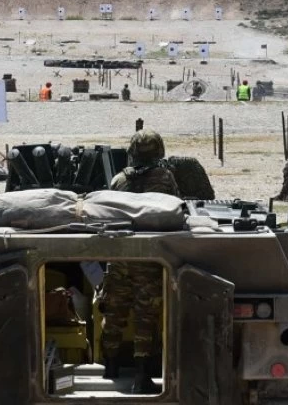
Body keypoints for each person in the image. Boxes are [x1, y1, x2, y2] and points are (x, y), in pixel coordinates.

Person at [100, 130, 177, 394]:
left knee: (114, 313)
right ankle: (141, 377)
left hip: (121, 259)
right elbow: (175, 208)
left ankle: (110, 368)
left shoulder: (118, 180)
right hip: (150, 260)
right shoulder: (165, 178)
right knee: (146, 318)